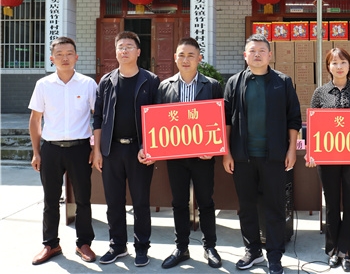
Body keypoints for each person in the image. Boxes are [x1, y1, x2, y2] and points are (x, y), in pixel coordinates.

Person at [223, 34, 302, 274]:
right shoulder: (234, 83)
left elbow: (293, 118)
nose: (257, 55)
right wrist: (227, 153)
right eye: (252, 51)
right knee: (246, 207)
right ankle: (253, 251)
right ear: (245, 55)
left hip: (274, 157)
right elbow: (225, 121)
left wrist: (292, 149)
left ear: (270, 55)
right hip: (242, 157)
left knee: (275, 207)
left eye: (261, 51)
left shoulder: (283, 82)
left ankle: (275, 256)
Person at [92, 31, 160, 267]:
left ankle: (142, 247)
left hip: (139, 151)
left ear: (138, 52)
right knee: (114, 202)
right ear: (115, 51)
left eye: (129, 46)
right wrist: (98, 150)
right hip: (112, 151)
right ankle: (117, 246)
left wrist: (149, 147)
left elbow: (157, 117)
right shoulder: (106, 81)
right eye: (120, 46)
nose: (124, 50)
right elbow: (98, 118)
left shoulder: (150, 80)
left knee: (140, 202)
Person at [28, 37, 97, 265]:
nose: (64, 58)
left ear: (76, 57)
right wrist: (36, 152)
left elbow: (98, 118)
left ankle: (83, 243)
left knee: (83, 198)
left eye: (69, 53)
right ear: (52, 58)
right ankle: (51, 244)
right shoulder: (43, 85)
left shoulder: (88, 84)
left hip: (80, 149)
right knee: (50, 200)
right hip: (51, 150)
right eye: (59, 54)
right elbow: (35, 119)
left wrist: (94, 148)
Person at [157, 38, 223, 270]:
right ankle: (181, 247)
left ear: (199, 59)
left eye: (190, 55)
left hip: (203, 157)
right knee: (178, 202)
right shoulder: (164, 87)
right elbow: (158, 121)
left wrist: (213, 149)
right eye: (181, 55)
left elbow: (220, 120)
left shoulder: (212, 85)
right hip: (175, 157)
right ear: (175, 58)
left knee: (206, 202)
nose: (185, 60)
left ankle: (210, 246)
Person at [307, 48, 350, 272]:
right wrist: (312, 153)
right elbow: (313, 125)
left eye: (343, 62)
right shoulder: (320, 93)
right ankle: (332, 250)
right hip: (328, 159)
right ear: (328, 67)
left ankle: (347, 252)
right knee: (332, 205)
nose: (339, 66)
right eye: (334, 63)